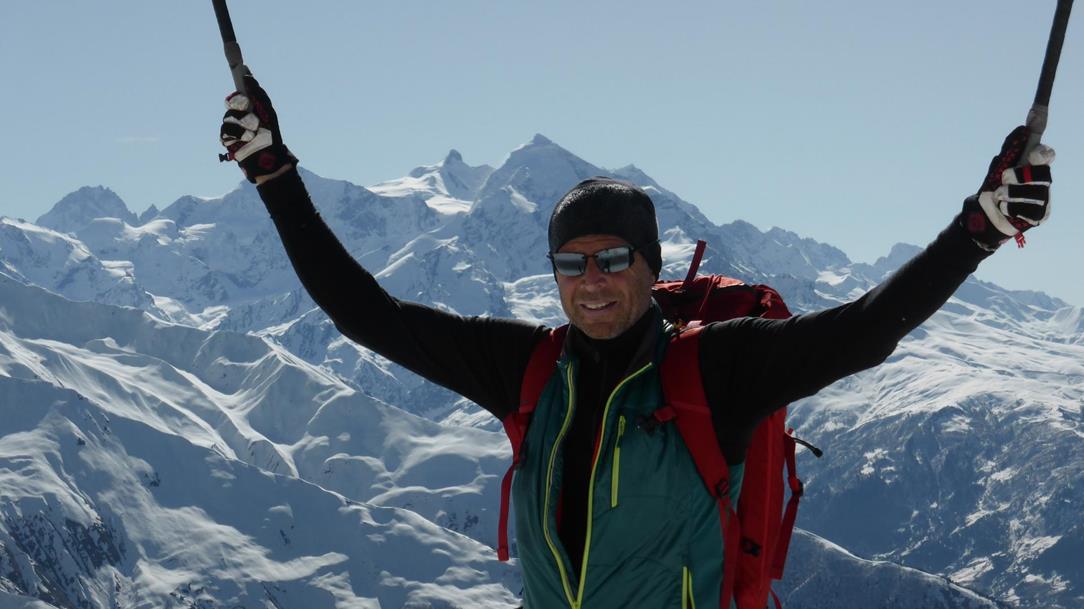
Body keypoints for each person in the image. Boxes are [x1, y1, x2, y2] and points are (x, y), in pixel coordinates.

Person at [219, 74, 1053, 609]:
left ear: (650, 267)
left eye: (614, 259)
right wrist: (274, 177)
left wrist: (976, 231)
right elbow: (365, 314)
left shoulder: (715, 369)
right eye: (571, 262)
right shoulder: (527, 368)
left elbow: (864, 330)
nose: (592, 279)